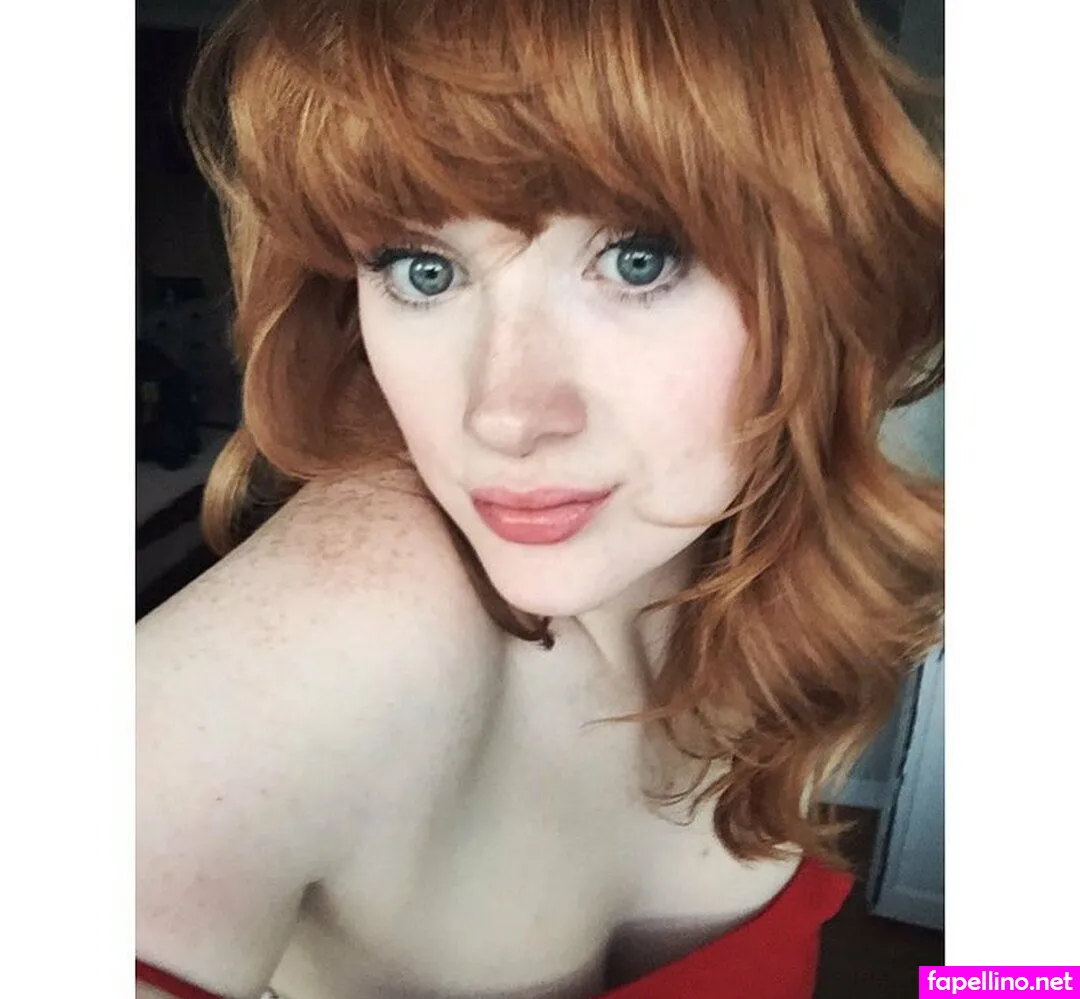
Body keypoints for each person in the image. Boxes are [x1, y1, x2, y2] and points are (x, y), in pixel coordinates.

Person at [135, 0, 944, 996]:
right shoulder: (348, 630)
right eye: (422, 269)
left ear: (820, 269)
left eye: (640, 258)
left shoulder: (785, 576)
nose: (506, 415)